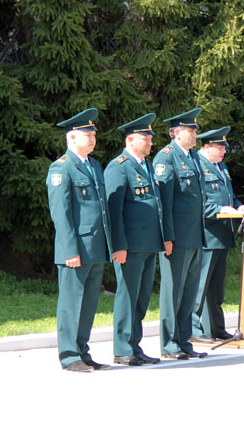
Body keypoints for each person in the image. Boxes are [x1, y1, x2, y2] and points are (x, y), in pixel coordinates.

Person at [46, 108, 113, 372]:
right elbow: (60, 215)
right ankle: (68, 354)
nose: (93, 139)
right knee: (71, 303)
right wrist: (70, 250)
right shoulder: (61, 168)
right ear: (72, 138)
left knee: (88, 304)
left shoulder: (93, 166)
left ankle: (83, 351)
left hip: (95, 247)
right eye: (88, 135)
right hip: (76, 249)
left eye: (94, 134)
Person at [104, 113, 169, 366]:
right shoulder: (118, 166)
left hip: (148, 244)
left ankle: (134, 345)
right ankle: (122, 349)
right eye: (146, 138)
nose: (151, 142)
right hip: (129, 246)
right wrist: (118, 245)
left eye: (151, 138)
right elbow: (114, 211)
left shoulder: (147, 166)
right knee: (127, 296)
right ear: (131, 140)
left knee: (141, 299)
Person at [153, 107, 208, 359]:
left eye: (195, 129)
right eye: (191, 130)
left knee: (188, 293)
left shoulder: (194, 157)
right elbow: (163, 203)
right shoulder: (166, 158)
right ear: (176, 133)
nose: (195, 133)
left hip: (196, 236)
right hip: (177, 238)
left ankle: (185, 341)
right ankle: (169, 344)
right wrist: (167, 237)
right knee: (172, 292)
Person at [190, 126, 244, 343]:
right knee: (200, 286)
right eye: (220, 147)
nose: (224, 152)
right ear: (207, 146)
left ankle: (216, 327)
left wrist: (239, 206)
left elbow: (228, 197)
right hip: (207, 234)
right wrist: (219, 210)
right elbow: (198, 202)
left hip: (222, 234)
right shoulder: (197, 166)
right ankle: (195, 330)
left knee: (216, 287)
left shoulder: (220, 166)